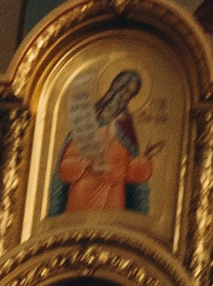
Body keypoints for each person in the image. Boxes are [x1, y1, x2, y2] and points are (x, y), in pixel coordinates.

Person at [49, 65, 151, 212]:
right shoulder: (92, 115)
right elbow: (66, 164)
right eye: (124, 90)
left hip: (113, 196)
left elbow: (130, 170)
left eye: (130, 94)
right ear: (116, 87)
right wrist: (86, 162)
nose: (125, 96)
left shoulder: (126, 125)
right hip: (83, 193)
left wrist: (143, 163)